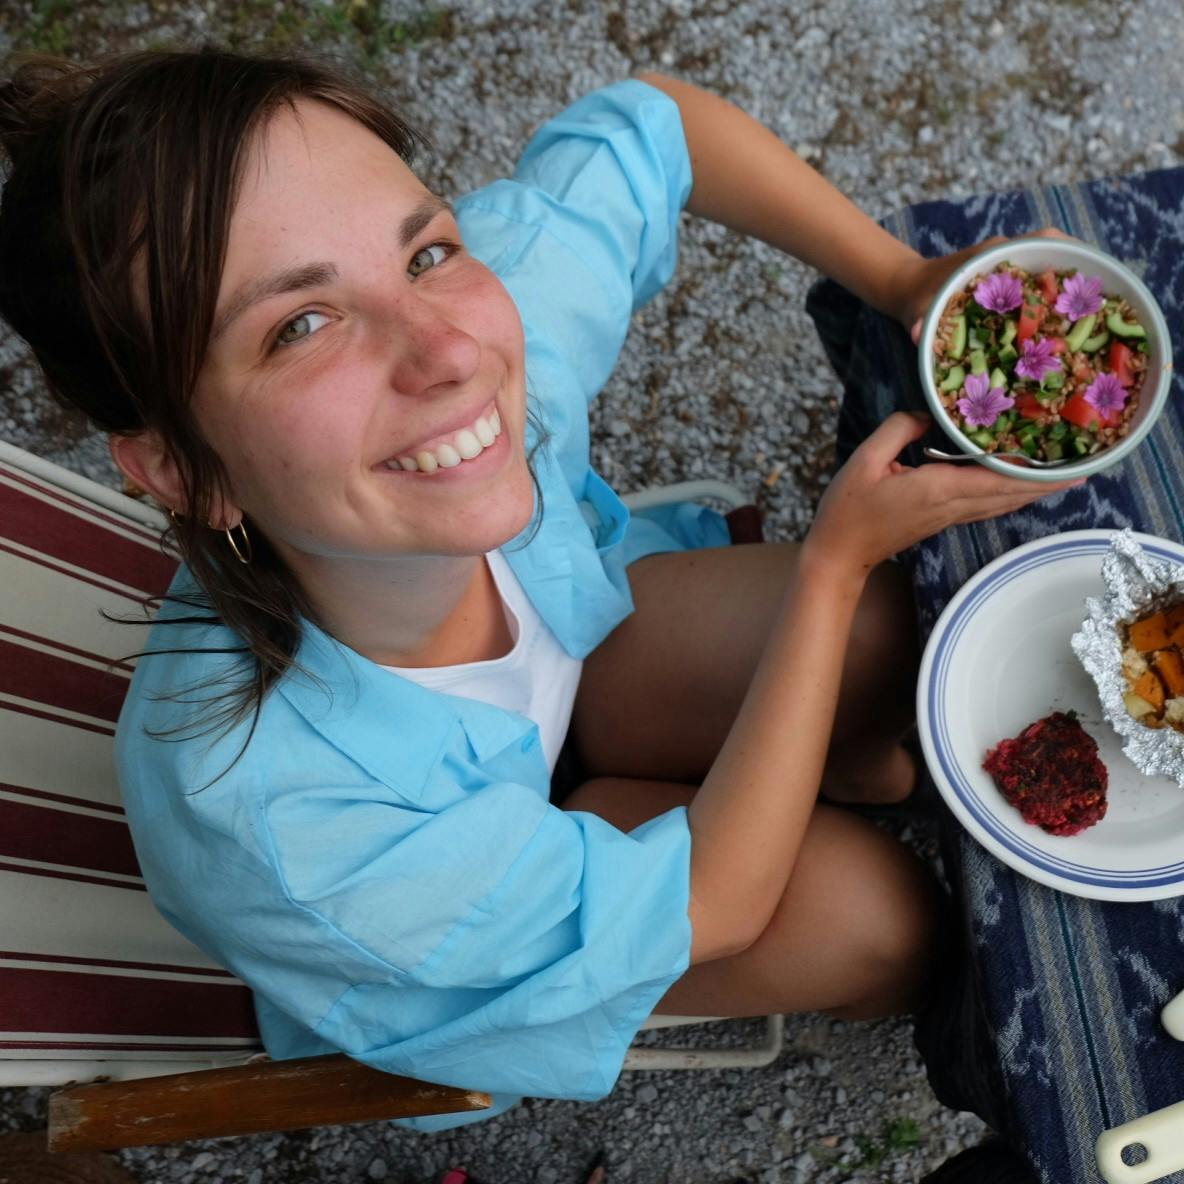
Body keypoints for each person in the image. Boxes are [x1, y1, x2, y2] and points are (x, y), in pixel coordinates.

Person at [0, 47, 1080, 1127]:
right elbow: (714, 904)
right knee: (881, 923)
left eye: (424, 251)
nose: (450, 353)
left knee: (893, 633)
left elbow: (655, 127)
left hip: (574, 695)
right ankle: (853, 810)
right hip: (467, 925)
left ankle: (849, 762)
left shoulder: (459, 347)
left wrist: (901, 280)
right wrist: (830, 566)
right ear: (183, 473)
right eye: (300, 325)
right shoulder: (285, 826)